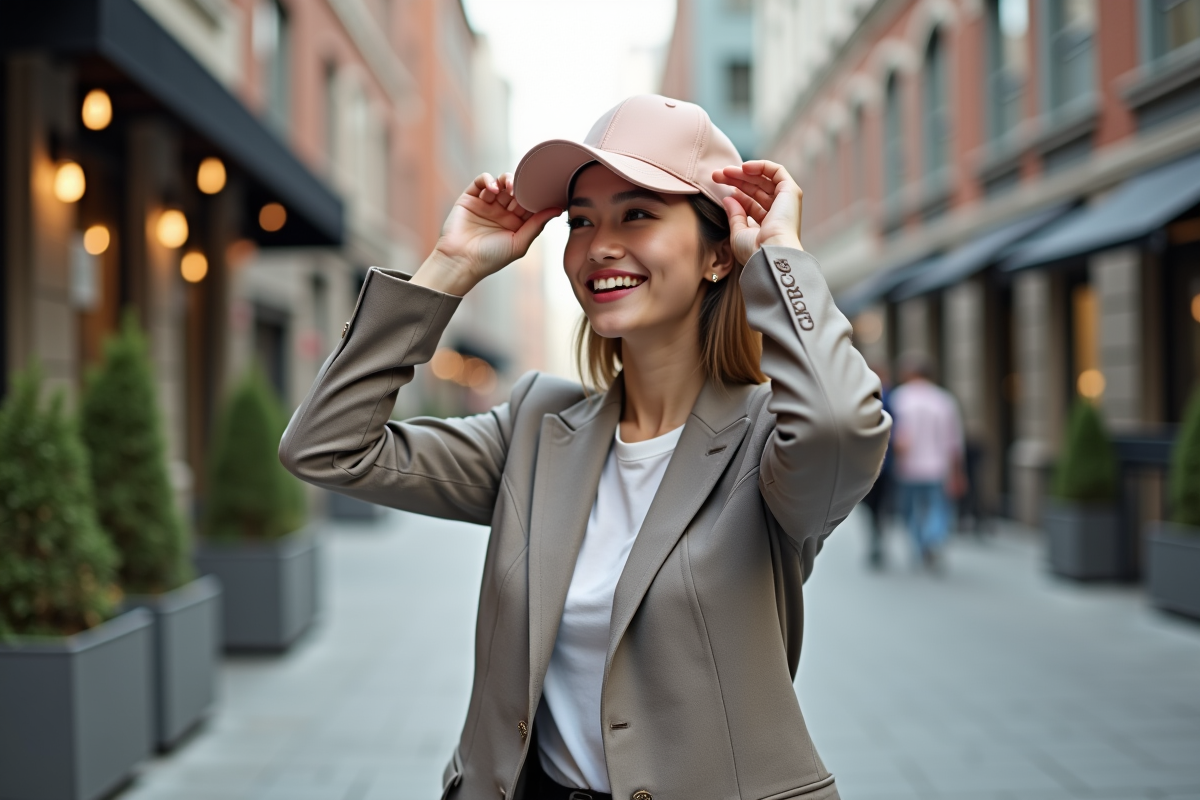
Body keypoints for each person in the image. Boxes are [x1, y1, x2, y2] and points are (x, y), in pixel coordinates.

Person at [280, 95, 889, 800]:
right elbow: (326, 446)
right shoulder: (538, 426)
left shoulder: (770, 441)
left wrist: (779, 260)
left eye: (637, 213)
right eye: (581, 220)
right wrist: (450, 267)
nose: (599, 244)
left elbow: (844, 428)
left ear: (719, 253)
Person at [888, 352, 965, 570]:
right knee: (938, 507)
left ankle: (921, 543)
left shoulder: (899, 398)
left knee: (910, 510)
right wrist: (957, 472)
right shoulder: (943, 400)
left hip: (907, 467)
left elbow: (893, 436)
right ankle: (933, 538)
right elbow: (954, 441)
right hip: (938, 467)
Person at [860, 361, 894, 568]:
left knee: (873, 504)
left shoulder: (863, 399)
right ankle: (877, 532)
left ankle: (876, 533)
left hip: (870, 463)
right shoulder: (888, 398)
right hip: (883, 462)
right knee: (878, 504)